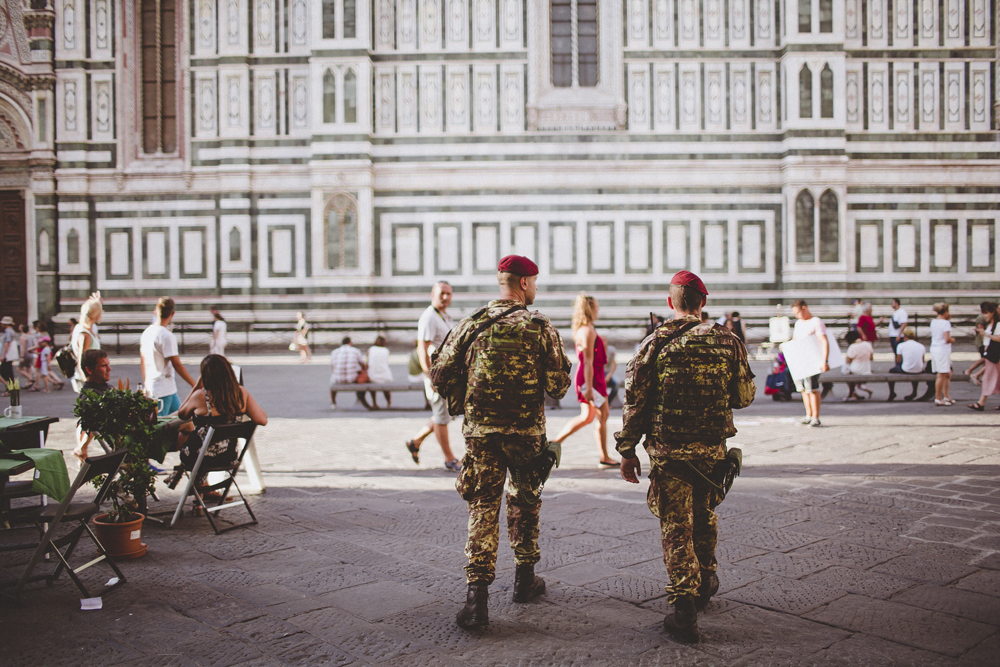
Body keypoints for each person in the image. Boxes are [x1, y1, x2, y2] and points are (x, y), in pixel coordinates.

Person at [429, 254, 571, 629]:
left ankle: (476, 599)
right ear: (523, 283)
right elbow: (559, 386)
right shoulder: (540, 326)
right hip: (526, 433)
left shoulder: (470, 324)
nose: (535, 289)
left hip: (482, 435)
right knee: (525, 500)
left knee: (483, 506)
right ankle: (525, 580)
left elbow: (440, 377)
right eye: (535, 283)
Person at [616, 270, 756, 644]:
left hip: (669, 453)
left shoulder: (653, 343)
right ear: (703, 304)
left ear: (670, 303)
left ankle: (683, 611)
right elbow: (743, 397)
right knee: (704, 515)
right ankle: (706, 579)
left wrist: (627, 450)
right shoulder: (728, 341)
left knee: (676, 526)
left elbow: (635, 403)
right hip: (711, 451)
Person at [167, 355, 268, 500]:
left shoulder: (201, 396)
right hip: (228, 456)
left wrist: (196, 387)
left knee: (190, 440)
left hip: (199, 458)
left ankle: (199, 492)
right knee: (200, 444)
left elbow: (182, 413)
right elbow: (262, 419)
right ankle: (201, 492)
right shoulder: (241, 394)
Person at [550, 293, 617, 467]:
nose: (598, 309)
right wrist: (588, 387)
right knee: (602, 415)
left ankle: (554, 443)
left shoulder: (584, 329)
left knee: (588, 416)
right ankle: (604, 457)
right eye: (596, 306)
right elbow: (588, 360)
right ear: (590, 308)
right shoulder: (587, 331)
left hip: (591, 377)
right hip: (591, 379)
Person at [405, 282, 461, 472]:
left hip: (447, 376)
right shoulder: (429, 317)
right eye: (442, 293)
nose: (445, 297)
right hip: (437, 377)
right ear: (432, 294)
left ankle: (416, 441)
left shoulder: (443, 316)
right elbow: (422, 348)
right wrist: (430, 376)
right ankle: (449, 458)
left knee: (442, 415)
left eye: (448, 294)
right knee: (441, 418)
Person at [141, 297, 197, 416]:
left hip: (161, 387)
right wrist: (194, 384)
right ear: (172, 313)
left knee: (182, 421)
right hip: (162, 389)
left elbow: (143, 361)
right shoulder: (166, 335)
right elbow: (176, 364)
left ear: (155, 311)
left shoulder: (147, 333)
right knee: (163, 426)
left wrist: (145, 383)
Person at [790, 299, 829, 427]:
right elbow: (795, 340)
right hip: (800, 360)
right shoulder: (798, 324)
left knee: (812, 389)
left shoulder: (816, 322)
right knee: (803, 389)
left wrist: (825, 360)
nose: (796, 316)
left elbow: (823, 340)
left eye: (797, 313)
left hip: (812, 360)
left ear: (804, 308)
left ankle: (816, 417)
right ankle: (808, 415)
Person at [71, 349, 114, 460]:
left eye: (108, 365)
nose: (109, 369)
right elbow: (87, 424)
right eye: (104, 366)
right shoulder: (90, 396)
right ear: (89, 370)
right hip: (122, 442)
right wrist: (82, 447)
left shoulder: (108, 388)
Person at [969, 302, 1000, 411]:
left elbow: (998, 338)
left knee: (988, 377)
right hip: (991, 352)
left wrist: (985, 334)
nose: (985, 315)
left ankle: (981, 403)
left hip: (994, 354)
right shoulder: (992, 324)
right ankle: (981, 402)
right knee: (994, 377)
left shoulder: (998, 324)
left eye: (986, 313)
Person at [70, 292, 103, 393]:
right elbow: (82, 361)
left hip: (94, 377)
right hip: (89, 379)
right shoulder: (85, 335)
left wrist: (98, 302)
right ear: (97, 315)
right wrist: (88, 382)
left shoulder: (81, 327)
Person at [888, 328, 931, 402]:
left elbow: (898, 360)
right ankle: (914, 391)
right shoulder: (921, 346)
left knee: (891, 371)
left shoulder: (901, 345)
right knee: (914, 369)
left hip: (906, 369)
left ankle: (892, 392)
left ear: (905, 337)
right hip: (919, 369)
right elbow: (922, 360)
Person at [329, 337, 371, 409]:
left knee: (332, 378)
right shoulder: (356, 351)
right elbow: (362, 365)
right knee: (362, 377)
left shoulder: (334, 351)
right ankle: (360, 399)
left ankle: (333, 402)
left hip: (338, 378)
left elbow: (333, 367)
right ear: (350, 343)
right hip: (351, 378)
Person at [929, 302, 955, 406]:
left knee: (947, 373)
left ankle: (946, 396)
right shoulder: (945, 323)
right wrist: (953, 340)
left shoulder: (934, 322)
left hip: (935, 348)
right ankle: (939, 398)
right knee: (941, 374)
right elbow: (947, 339)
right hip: (942, 350)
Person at [842, 331, 873, 400]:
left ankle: (851, 394)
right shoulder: (868, 344)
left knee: (846, 373)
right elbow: (871, 358)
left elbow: (848, 361)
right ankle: (854, 393)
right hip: (867, 370)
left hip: (856, 370)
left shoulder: (852, 347)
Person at [365, 335, 394, 409]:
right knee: (385, 387)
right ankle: (388, 401)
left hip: (372, 376)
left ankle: (374, 402)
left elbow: (367, 363)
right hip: (385, 376)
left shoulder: (370, 349)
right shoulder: (386, 350)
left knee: (372, 386)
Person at [967, 304, 991, 385]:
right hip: (983, 342)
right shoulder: (982, 318)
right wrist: (985, 343)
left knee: (986, 360)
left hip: (986, 342)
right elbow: (981, 330)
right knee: (987, 360)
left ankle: (981, 376)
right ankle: (975, 374)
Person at [0, 316, 20, 387]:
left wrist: (3, 355)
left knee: (4, 371)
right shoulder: (11, 331)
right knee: (8, 370)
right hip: (9, 355)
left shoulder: (8, 331)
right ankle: (11, 385)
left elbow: (7, 343)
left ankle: (10, 386)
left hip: (7, 355)